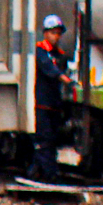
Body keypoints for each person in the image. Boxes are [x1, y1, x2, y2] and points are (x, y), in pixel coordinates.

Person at [29, 15, 77, 181]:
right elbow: (50, 69)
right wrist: (67, 80)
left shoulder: (60, 54)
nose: (56, 37)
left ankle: (37, 170)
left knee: (52, 138)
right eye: (53, 33)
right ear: (46, 33)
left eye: (58, 34)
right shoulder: (40, 51)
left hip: (55, 103)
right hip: (42, 102)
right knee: (44, 138)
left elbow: (65, 68)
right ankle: (48, 173)